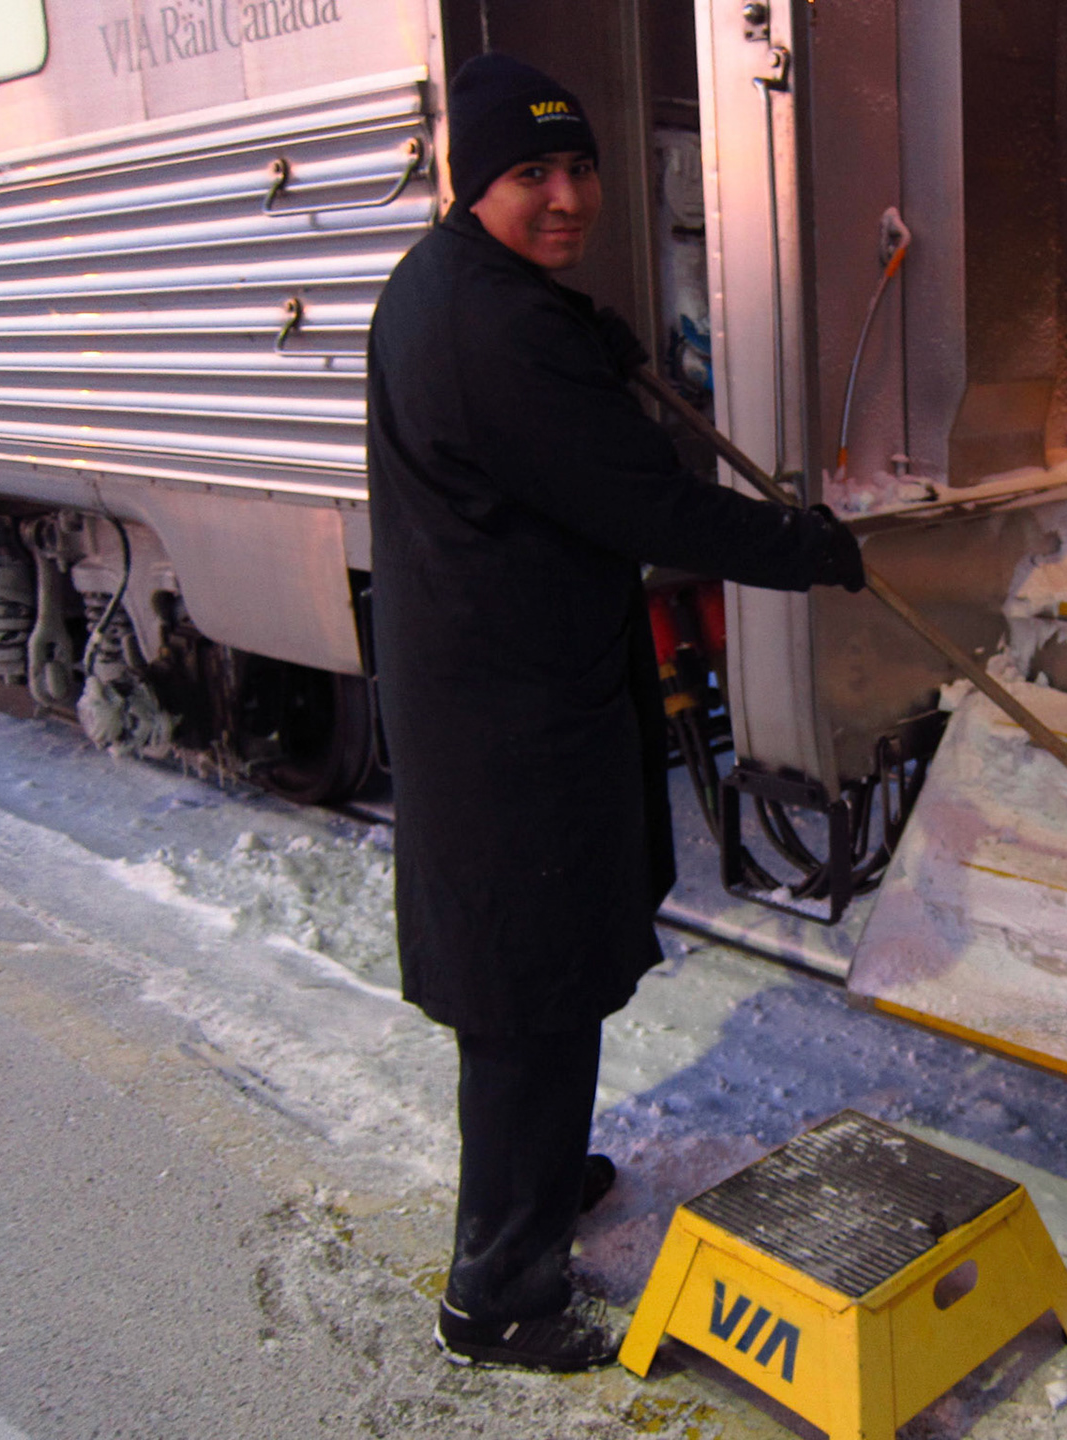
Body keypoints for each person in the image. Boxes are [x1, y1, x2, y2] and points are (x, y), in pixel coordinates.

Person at [365, 54, 865, 1372]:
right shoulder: (495, 328)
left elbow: (539, 433)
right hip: (510, 720)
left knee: (536, 980)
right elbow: (644, 501)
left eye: (579, 167)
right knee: (527, 996)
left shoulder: (456, 288)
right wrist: (805, 549)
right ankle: (496, 1294)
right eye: (532, 172)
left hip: (502, 695)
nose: (568, 196)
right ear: (476, 180)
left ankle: (536, 1183)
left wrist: (581, 340)